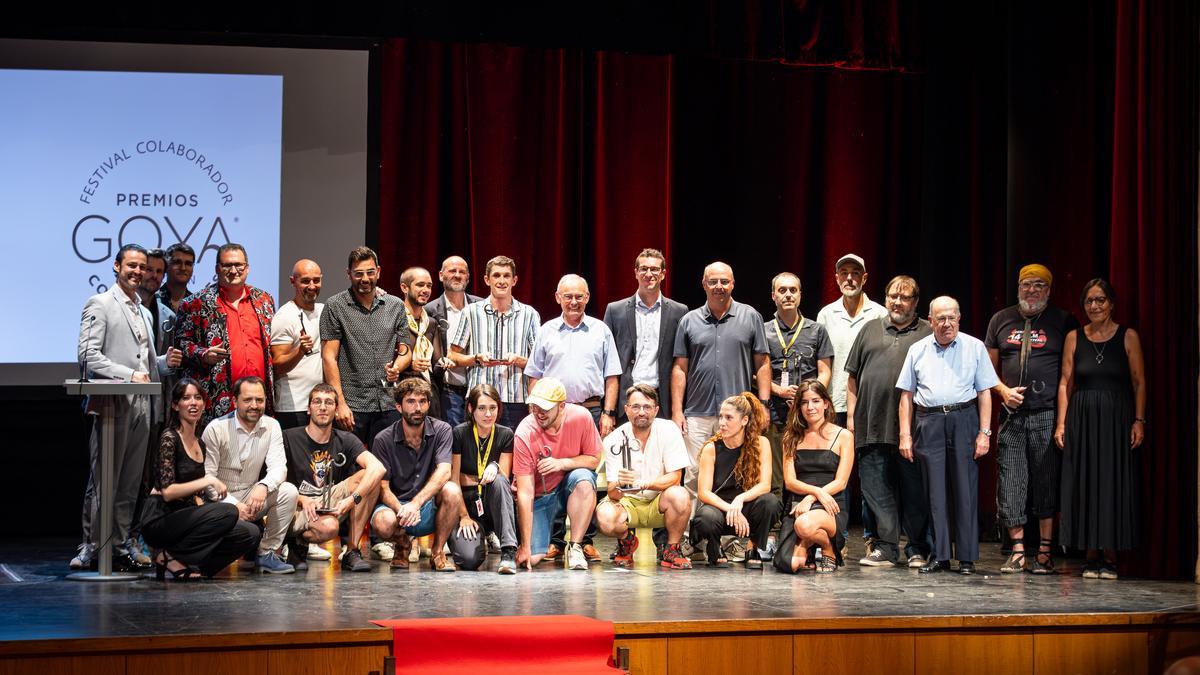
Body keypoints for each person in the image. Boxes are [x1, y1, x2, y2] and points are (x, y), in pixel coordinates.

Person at [71, 244, 183, 571]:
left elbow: (145, 363)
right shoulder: (100, 304)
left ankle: (118, 545)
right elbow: (89, 357)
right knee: (104, 481)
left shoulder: (145, 312)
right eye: (131, 266)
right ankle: (92, 546)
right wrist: (130, 375)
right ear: (117, 266)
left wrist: (164, 363)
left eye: (142, 267)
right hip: (111, 404)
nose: (137, 272)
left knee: (130, 482)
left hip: (143, 405)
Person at [985, 264, 1079, 575]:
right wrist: (1002, 391)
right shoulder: (1001, 320)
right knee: (1011, 480)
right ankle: (1017, 551)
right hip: (1011, 415)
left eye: (1039, 285)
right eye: (1026, 284)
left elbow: (1071, 371)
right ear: (1018, 288)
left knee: (1046, 481)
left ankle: (1045, 553)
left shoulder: (1063, 321)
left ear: (1049, 291)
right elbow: (986, 372)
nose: (1032, 291)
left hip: (1047, 413)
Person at [897, 296, 998, 575]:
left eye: (951, 317)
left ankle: (966, 557)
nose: (946, 323)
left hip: (963, 418)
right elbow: (906, 395)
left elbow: (985, 392)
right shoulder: (917, 350)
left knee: (965, 489)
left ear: (959, 318)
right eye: (940, 318)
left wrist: (984, 433)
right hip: (928, 421)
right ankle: (940, 555)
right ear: (930, 321)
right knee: (935, 491)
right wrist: (905, 435)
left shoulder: (975, 347)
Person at [525, 273, 621, 562]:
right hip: (553, 413)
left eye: (579, 296)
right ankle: (555, 540)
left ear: (587, 298)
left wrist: (607, 412)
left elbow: (611, 376)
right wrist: (536, 411)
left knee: (586, 473)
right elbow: (534, 375)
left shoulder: (601, 330)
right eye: (568, 296)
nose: (574, 301)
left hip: (590, 411)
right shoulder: (546, 331)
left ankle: (585, 539)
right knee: (552, 474)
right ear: (558, 298)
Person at [1055, 279, 1145, 580]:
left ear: (1112, 303)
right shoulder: (1074, 337)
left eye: (1101, 300)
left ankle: (1110, 554)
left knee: (1111, 481)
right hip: (1082, 417)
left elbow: (1139, 383)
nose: (1095, 306)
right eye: (1090, 301)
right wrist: (1062, 423)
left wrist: (1139, 420)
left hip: (1116, 418)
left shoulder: (1128, 336)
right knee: (1085, 481)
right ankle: (1090, 554)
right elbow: (1066, 382)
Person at [845, 276, 933, 568]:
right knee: (876, 491)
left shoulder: (927, 333)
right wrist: (851, 418)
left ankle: (918, 548)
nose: (897, 301)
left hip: (913, 430)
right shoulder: (869, 329)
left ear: (915, 302)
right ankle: (885, 548)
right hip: (870, 425)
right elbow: (852, 378)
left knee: (915, 492)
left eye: (904, 297)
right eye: (892, 295)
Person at [142, 378, 261, 579]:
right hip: (161, 518)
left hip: (186, 516)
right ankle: (167, 557)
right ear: (175, 405)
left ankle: (196, 567)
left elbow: (196, 496)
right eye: (186, 398)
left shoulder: (199, 443)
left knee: (250, 532)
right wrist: (208, 480)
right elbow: (168, 492)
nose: (193, 403)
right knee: (228, 511)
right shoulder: (169, 438)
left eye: (198, 398)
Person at [672, 262, 771, 486]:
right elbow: (680, 368)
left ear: (733, 284)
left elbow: (763, 363)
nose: (719, 286)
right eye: (713, 281)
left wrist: (763, 404)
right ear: (704, 284)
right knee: (695, 477)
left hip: (738, 413)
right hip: (698, 413)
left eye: (724, 281)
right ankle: (695, 523)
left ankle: (738, 521)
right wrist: (678, 411)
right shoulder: (689, 321)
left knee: (742, 473)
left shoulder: (751, 316)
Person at [817, 253, 887, 555]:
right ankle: (839, 536)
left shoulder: (880, 314)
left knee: (871, 475)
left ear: (865, 278)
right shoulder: (826, 314)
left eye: (855, 273)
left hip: (869, 407)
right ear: (836, 278)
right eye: (843, 273)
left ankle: (873, 537)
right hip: (834, 404)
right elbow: (822, 361)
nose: (849, 278)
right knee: (837, 475)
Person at [201, 376, 299, 574]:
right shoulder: (216, 428)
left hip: (251, 496)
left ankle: (267, 553)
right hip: (217, 501)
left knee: (288, 491)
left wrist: (263, 486)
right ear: (235, 401)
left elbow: (279, 467)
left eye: (260, 400)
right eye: (248, 400)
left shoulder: (272, 426)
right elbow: (207, 481)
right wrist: (235, 505)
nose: (254, 405)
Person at [283, 384, 385, 573]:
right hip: (295, 507)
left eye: (329, 402)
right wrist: (302, 499)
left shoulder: (346, 439)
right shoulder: (288, 437)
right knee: (322, 523)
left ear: (336, 410)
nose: (322, 407)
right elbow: (273, 481)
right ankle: (296, 543)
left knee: (368, 478)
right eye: (317, 402)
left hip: (328, 504)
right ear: (308, 408)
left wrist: (352, 499)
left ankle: (352, 551)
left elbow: (378, 468)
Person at [370, 377, 467, 572]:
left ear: (429, 405)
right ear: (398, 407)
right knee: (382, 522)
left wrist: (416, 504)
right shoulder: (383, 439)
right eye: (411, 402)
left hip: (427, 505)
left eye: (422, 402)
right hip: (397, 508)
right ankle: (403, 544)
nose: (417, 408)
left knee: (452, 490)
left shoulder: (442, 430)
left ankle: (437, 552)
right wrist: (402, 509)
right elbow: (383, 487)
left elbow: (445, 470)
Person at [320, 246, 411, 447]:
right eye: (358, 273)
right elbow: (329, 358)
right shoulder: (335, 306)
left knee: (386, 468)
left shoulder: (395, 305)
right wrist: (340, 404)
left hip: (387, 402)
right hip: (352, 405)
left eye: (370, 272)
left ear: (378, 271)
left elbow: (406, 349)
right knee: (351, 469)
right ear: (349, 274)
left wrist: (398, 366)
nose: (365, 278)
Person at [176, 243, 276, 424]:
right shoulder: (195, 303)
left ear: (247, 268)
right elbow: (182, 344)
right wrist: (203, 354)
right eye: (227, 265)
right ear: (217, 269)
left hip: (258, 399)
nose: (234, 270)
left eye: (239, 265)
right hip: (217, 399)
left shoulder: (264, 299)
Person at [595, 385, 693, 569]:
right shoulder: (614, 440)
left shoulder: (669, 430)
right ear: (626, 409)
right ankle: (627, 542)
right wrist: (620, 485)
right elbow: (612, 493)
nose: (641, 412)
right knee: (605, 517)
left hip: (658, 500)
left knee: (680, 495)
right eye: (636, 407)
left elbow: (675, 477)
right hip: (628, 503)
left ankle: (672, 549)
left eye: (647, 407)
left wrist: (647, 484)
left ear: (656, 410)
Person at [512, 378, 602, 571]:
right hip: (539, 497)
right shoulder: (524, 432)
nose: (538, 413)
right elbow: (525, 492)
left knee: (584, 479)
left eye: (544, 408)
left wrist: (562, 463)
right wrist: (526, 546)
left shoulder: (581, 417)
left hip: (567, 488)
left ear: (562, 406)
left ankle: (575, 546)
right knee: (533, 558)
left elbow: (594, 459)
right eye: (535, 406)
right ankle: (537, 544)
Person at [448, 255, 541, 430]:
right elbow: (452, 355)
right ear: (486, 280)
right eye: (496, 275)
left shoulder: (529, 314)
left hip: (515, 400)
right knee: (477, 454)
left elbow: (540, 362)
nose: (501, 281)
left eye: (506, 276)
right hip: (480, 398)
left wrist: (519, 361)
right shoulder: (471, 312)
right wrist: (476, 358)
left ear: (514, 280)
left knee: (512, 454)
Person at [689, 393, 782, 569]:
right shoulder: (711, 448)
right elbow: (704, 493)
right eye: (721, 417)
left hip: (746, 508)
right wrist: (731, 508)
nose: (722, 423)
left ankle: (753, 547)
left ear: (744, 420)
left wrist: (740, 499)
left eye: (729, 418)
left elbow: (765, 485)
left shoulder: (761, 443)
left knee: (770, 502)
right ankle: (715, 546)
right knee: (706, 517)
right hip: (720, 510)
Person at [764, 272, 833, 500]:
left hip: (808, 415)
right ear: (773, 295)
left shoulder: (816, 330)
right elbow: (754, 374)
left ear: (800, 295)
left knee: (804, 471)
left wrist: (807, 397)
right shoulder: (764, 331)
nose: (788, 295)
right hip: (774, 413)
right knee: (774, 474)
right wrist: (777, 390)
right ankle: (773, 527)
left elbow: (824, 371)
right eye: (782, 290)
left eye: (793, 290)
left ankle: (802, 515)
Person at [774, 381, 854, 574]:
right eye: (804, 402)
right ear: (798, 407)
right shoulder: (790, 437)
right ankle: (813, 545)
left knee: (804, 525)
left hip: (830, 503)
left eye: (816, 401)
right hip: (797, 503)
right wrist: (812, 492)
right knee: (790, 564)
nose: (810, 407)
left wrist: (813, 497)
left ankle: (828, 549)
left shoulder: (843, 436)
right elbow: (790, 482)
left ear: (826, 403)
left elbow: (841, 481)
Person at [602, 247, 689, 420]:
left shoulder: (679, 311)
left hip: (662, 401)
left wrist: (677, 410)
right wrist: (608, 410)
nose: (649, 274)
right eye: (644, 269)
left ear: (663, 274)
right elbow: (607, 361)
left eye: (655, 269)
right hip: (625, 400)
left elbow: (682, 361)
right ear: (636, 272)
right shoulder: (615, 310)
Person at [449, 384, 519, 573]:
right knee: (469, 560)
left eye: (492, 408)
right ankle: (482, 535)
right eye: (482, 408)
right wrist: (463, 516)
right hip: (467, 504)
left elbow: (502, 478)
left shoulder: (505, 434)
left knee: (499, 481)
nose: (488, 414)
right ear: (471, 409)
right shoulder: (459, 433)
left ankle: (508, 551)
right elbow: (454, 480)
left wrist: (495, 467)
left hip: (491, 502)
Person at [426, 256, 483, 425]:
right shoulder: (429, 310)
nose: (457, 275)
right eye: (452, 271)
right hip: (449, 392)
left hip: (478, 391)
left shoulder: (481, 306)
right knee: (454, 445)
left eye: (462, 272)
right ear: (441, 275)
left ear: (468, 277)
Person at [270, 260, 325, 430]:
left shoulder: (324, 310)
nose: (312, 286)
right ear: (292, 281)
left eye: (316, 280)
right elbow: (277, 365)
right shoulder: (284, 316)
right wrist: (300, 351)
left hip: (318, 405)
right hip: (292, 408)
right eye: (305, 281)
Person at [395, 266, 447, 418]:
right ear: (404, 287)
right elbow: (384, 357)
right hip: (402, 393)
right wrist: (410, 364)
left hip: (428, 394)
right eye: (420, 285)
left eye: (429, 286)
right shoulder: (394, 319)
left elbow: (436, 366)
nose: (425, 290)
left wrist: (444, 363)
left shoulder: (431, 323)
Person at [159, 242, 195, 312]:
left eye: (188, 264)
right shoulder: (153, 300)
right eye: (177, 262)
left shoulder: (197, 303)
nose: (183, 268)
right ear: (166, 266)